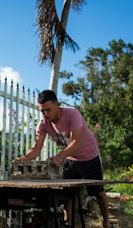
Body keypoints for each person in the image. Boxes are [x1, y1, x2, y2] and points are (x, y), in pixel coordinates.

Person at [16, 90, 110, 228]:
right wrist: (22, 159)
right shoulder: (43, 123)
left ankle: (106, 221)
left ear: (57, 104)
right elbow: (36, 149)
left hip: (89, 155)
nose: (45, 114)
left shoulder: (73, 114)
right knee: (68, 194)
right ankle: (68, 223)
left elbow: (76, 142)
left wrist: (59, 157)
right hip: (70, 158)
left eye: (48, 110)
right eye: (42, 111)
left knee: (98, 192)